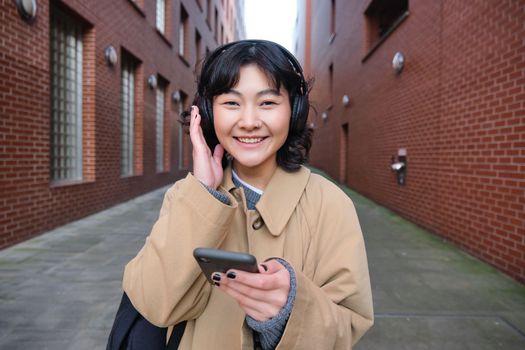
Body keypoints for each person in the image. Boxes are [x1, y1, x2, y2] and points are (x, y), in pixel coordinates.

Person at [122, 39, 373, 349]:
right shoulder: (186, 196)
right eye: (231, 103)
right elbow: (153, 303)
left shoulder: (331, 205)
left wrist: (287, 314)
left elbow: (348, 326)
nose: (250, 122)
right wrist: (203, 194)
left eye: (267, 103)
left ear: (294, 111)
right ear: (208, 113)